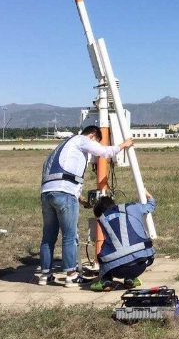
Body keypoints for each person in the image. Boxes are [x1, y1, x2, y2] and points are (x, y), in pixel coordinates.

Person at [39, 125, 134, 287]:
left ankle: (45, 274)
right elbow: (104, 152)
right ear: (92, 136)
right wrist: (124, 145)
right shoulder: (82, 140)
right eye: (95, 142)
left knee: (48, 237)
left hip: (47, 192)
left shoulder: (63, 145)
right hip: (65, 193)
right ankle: (71, 275)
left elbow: (64, 173)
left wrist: (81, 198)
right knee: (70, 236)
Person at [89, 190, 156, 292]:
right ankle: (130, 279)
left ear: (100, 213)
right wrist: (146, 193)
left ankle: (105, 281)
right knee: (131, 254)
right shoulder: (132, 208)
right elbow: (151, 205)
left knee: (103, 253)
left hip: (117, 270)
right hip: (141, 264)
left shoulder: (102, 219)